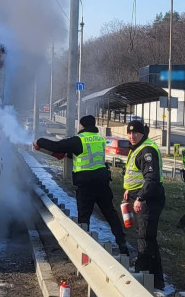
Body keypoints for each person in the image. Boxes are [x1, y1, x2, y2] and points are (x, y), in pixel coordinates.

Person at [34, 115, 129, 255]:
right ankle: (123, 246)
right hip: (102, 183)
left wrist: (39, 141)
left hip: (86, 185)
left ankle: (84, 252)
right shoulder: (100, 139)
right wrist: (71, 155)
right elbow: (89, 155)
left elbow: (57, 146)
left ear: (82, 126)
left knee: (84, 219)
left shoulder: (79, 139)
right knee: (111, 215)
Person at [123, 120, 165, 290]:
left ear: (142, 133)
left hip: (149, 199)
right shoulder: (138, 148)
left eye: (136, 133)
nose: (132, 136)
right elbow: (136, 175)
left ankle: (142, 276)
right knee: (149, 238)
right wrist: (129, 190)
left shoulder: (146, 150)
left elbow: (151, 178)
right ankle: (157, 281)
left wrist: (140, 197)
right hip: (144, 197)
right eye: (130, 133)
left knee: (145, 238)